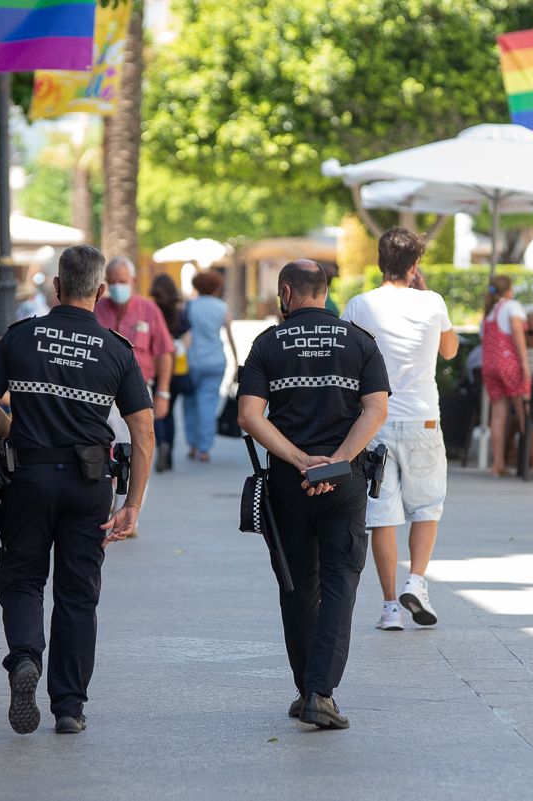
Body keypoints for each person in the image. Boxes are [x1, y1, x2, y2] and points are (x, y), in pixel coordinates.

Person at [0, 245, 155, 736]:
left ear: (55, 287)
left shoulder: (21, 337)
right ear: (99, 290)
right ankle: (69, 707)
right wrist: (132, 503)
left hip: (28, 478)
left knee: (23, 579)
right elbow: (144, 431)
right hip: (89, 484)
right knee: (78, 595)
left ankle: (26, 658)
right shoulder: (116, 349)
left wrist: (19, 433)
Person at [238, 259, 390, 729]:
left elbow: (250, 416)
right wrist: (338, 461)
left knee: (297, 584)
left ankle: (307, 688)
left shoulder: (266, 344)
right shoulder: (360, 342)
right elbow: (376, 411)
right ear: (325, 292)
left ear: (286, 292)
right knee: (340, 582)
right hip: (345, 482)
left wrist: (300, 460)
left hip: (288, 481)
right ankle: (320, 692)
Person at [342, 227, 458, 631]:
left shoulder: (359, 305)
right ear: (414, 266)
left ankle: (390, 606)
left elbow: (345, 358)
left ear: (379, 262)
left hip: (374, 422)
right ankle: (417, 582)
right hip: (424, 418)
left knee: (383, 515)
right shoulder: (432, 303)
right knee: (426, 507)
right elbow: (450, 349)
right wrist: (424, 291)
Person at [94, 256, 174, 439]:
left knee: (140, 444)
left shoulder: (149, 309)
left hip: (139, 389)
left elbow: (164, 352)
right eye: (112, 282)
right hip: (102, 391)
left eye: (122, 282)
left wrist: (163, 393)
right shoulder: (97, 309)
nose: (116, 287)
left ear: (134, 281)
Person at [183, 269, 238, 462]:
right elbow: (230, 336)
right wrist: (236, 358)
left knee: (189, 403)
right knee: (208, 403)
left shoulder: (189, 306)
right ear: (216, 287)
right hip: (216, 361)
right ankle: (204, 448)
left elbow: (184, 335)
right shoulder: (222, 307)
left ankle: (192, 444)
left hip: (192, 361)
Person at [481, 276, 531, 477]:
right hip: (509, 363)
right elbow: (517, 333)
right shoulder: (512, 306)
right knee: (524, 412)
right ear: (509, 289)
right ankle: (532, 460)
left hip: (489, 365)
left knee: (498, 414)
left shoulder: (489, 313)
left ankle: (498, 464)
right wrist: (525, 364)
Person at [149, 273, 191, 472]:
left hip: (156, 365)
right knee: (170, 410)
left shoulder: (152, 309)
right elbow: (188, 339)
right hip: (177, 368)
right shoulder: (180, 311)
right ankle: (170, 452)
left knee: (157, 410)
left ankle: (162, 444)